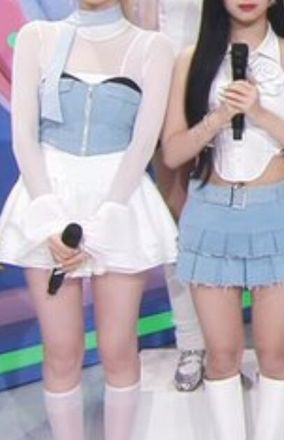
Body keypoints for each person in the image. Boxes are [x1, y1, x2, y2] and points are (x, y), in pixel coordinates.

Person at [0, 1, 178, 438]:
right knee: (62, 350)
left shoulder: (152, 47)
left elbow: (143, 142)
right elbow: (24, 136)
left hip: (121, 200)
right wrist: (49, 220)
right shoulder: (39, 38)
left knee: (118, 349)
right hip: (47, 196)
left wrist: (108, 217)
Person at [160, 0, 284, 438]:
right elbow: (173, 153)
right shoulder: (191, 59)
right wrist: (219, 118)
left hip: (276, 214)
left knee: (275, 353)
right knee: (222, 356)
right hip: (210, 215)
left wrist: (260, 114)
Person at [122, 0, 207, 393]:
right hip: (159, 85)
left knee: (226, 216)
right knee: (177, 216)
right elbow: (130, 22)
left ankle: (224, 341)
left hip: (220, 76)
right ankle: (191, 341)